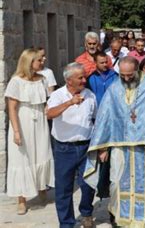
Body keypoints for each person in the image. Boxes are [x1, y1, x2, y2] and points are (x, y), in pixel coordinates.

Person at [83, 57, 145, 227]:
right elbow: (105, 117)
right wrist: (102, 146)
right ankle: (124, 222)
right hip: (121, 146)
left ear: (137, 70)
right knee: (117, 185)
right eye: (122, 75)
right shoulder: (115, 87)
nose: (125, 79)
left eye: (129, 75)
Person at [47, 63, 97, 228]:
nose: (84, 80)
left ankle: (86, 212)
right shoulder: (58, 95)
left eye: (84, 77)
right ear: (69, 80)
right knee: (63, 189)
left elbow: (96, 120)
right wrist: (69, 103)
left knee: (88, 184)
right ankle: (66, 223)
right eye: (80, 77)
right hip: (64, 148)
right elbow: (50, 113)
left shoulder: (90, 95)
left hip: (86, 147)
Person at [5, 48, 54, 215]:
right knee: (22, 158)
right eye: (39, 59)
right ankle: (21, 199)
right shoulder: (16, 81)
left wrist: (48, 106)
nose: (43, 61)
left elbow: (48, 100)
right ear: (29, 62)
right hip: (23, 120)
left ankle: (42, 188)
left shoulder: (43, 79)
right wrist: (16, 131)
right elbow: (11, 108)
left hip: (39, 120)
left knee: (41, 153)